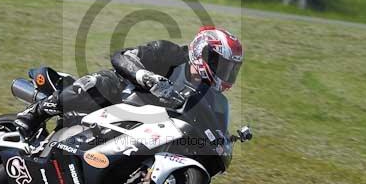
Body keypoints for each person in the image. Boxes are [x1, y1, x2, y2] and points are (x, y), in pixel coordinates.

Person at [14, 25, 243, 136]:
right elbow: (121, 57)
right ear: (201, 52)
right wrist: (147, 77)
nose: (223, 72)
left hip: (144, 127)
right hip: (118, 97)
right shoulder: (169, 53)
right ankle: (36, 112)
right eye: (219, 63)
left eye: (230, 68)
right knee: (101, 82)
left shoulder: (208, 94)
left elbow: (209, 125)